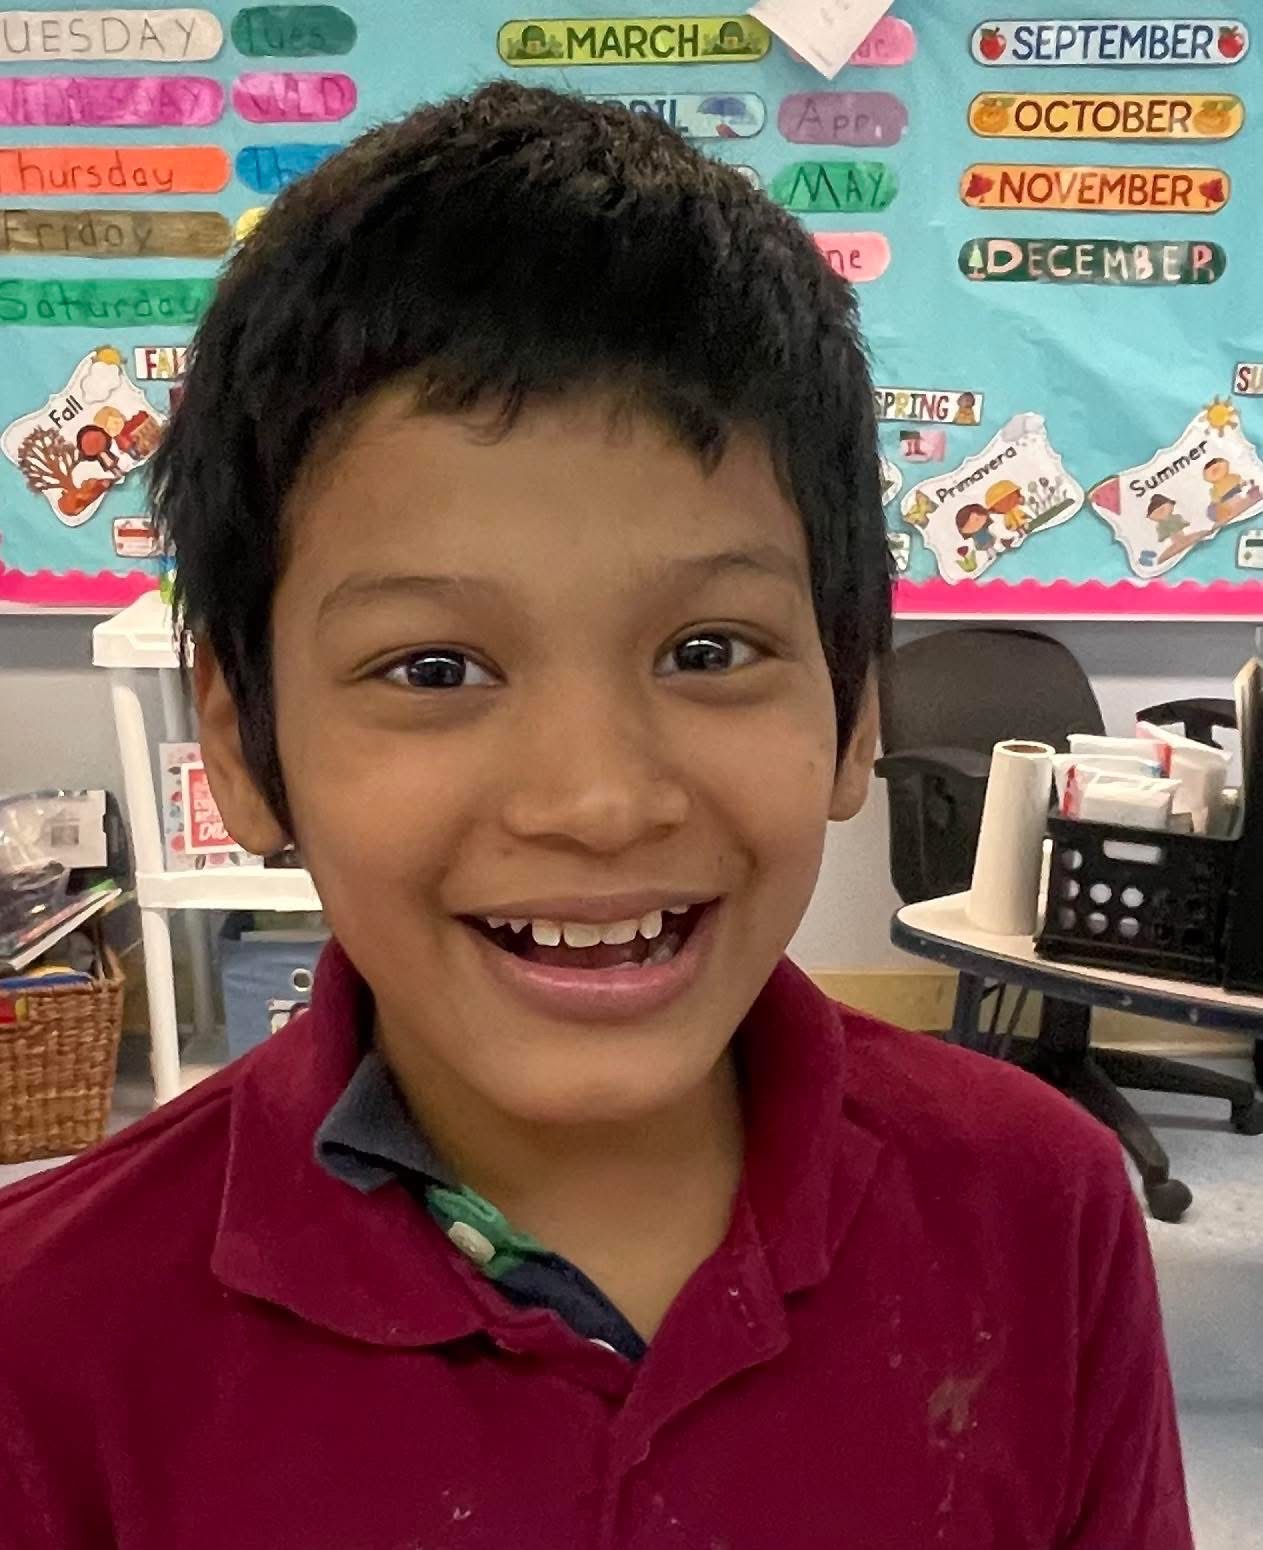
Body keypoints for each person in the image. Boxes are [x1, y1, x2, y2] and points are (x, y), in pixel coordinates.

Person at [0, 85, 1190, 1549]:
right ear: (246, 747)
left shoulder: (1042, 1210)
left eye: (709, 649)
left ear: (853, 710)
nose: (599, 800)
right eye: (434, 669)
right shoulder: (47, 1341)